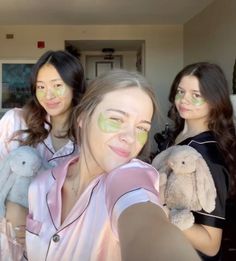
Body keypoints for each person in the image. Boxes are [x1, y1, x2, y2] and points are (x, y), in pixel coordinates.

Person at [25, 69, 200, 261]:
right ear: (82, 117)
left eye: (142, 128)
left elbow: (146, 226)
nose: (131, 138)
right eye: (116, 119)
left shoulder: (132, 177)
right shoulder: (40, 186)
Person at [0, 50, 86, 260]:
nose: (48, 95)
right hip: (10, 245)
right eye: (41, 87)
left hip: (59, 247)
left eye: (57, 85)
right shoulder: (15, 122)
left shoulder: (87, 136)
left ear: (74, 85)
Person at [164, 62, 236, 260]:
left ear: (214, 100)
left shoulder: (206, 153)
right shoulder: (178, 135)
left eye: (196, 95)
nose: (184, 100)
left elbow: (211, 244)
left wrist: (163, 214)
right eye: (180, 91)